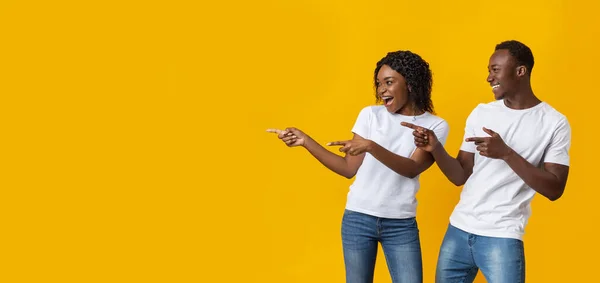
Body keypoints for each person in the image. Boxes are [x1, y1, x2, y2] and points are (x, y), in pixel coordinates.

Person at [267, 50, 449, 283]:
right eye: (379, 83)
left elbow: (411, 168)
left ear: (411, 84)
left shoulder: (435, 125)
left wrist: (372, 146)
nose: (381, 89)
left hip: (401, 224)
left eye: (389, 82)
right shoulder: (370, 115)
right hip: (358, 219)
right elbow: (347, 169)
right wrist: (306, 141)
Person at [402, 40, 571, 283]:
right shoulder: (481, 112)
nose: (489, 78)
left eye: (495, 69)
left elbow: (555, 189)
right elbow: (460, 176)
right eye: (489, 70)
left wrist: (507, 154)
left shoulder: (554, 122)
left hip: (502, 236)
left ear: (520, 71)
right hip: (458, 230)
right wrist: (435, 147)